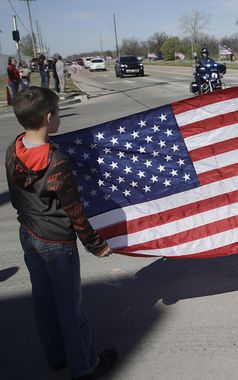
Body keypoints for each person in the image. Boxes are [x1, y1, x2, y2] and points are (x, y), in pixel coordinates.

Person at [4, 86, 118, 379]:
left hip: (28, 232)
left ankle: (55, 356)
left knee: (43, 299)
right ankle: (85, 366)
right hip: (55, 241)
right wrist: (95, 244)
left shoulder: (13, 148)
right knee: (70, 307)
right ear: (50, 117)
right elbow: (74, 210)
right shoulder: (57, 161)